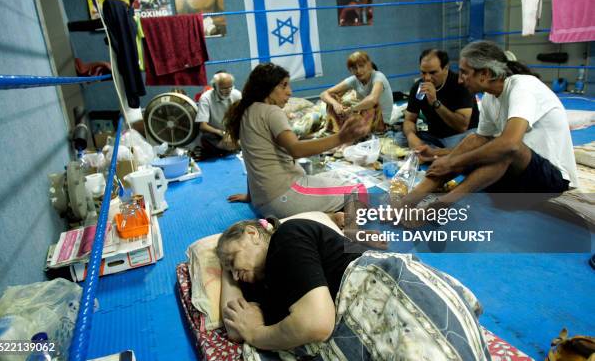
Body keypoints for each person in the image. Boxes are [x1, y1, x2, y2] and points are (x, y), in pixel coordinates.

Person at [215, 217, 491, 359]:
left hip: (376, 287)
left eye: (232, 259)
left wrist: (258, 333)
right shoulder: (260, 286)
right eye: (229, 270)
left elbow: (316, 324)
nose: (235, 273)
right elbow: (233, 327)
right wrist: (227, 272)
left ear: (253, 234)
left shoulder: (288, 237)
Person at [401, 40, 578, 210]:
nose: (461, 80)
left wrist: (452, 162)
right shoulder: (488, 98)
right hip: (516, 179)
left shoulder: (523, 86)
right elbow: (478, 141)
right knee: (474, 140)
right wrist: (439, 155)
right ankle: (408, 201)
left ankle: (440, 206)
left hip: (550, 181)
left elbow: (509, 144)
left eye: (465, 73)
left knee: (503, 148)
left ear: (485, 74)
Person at [225, 63, 370, 218]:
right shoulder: (271, 111)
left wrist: (250, 196)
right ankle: (330, 222)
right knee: (359, 190)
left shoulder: (246, 111)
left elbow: (253, 160)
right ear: (268, 87)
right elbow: (296, 149)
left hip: (261, 202)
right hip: (283, 199)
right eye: (284, 86)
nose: (289, 92)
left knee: (335, 176)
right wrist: (341, 137)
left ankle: (320, 215)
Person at [402, 48, 480, 156]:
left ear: (446, 68)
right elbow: (409, 119)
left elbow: (462, 126)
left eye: (433, 72)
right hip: (435, 137)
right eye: (423, 73)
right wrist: (411, 136)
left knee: (473, 143)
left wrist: (435, 103)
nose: (427, 78)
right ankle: (434, 154)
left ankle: (435, 154)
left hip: (460, 136)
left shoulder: (460, 84)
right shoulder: (419, 88)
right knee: (400, 137)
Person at [320, 51, 394, 132]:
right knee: (332, 97)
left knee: (369, 106)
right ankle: (337, 131)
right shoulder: (354, 80)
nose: (358, 70)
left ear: (369, 65)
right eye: (354, 68)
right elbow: (324, 94)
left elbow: (372, 100)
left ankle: (345, 133)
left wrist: (352, 109)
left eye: (361, 66)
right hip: (362, 117)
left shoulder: (378, 77)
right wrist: (336, 104)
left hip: (380, 123)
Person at [195, 71, 241, 158]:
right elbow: (203, 126)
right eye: (223, 88)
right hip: (217, 133)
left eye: (230, 87)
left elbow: (243, 118)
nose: (228, 91)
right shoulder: (205, 98)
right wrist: (222, 133)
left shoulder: (237, 95)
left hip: (233, 132)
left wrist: (231, 134)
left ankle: (230, 147)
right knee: (206, 137)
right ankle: (235, 147)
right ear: (215, 87)